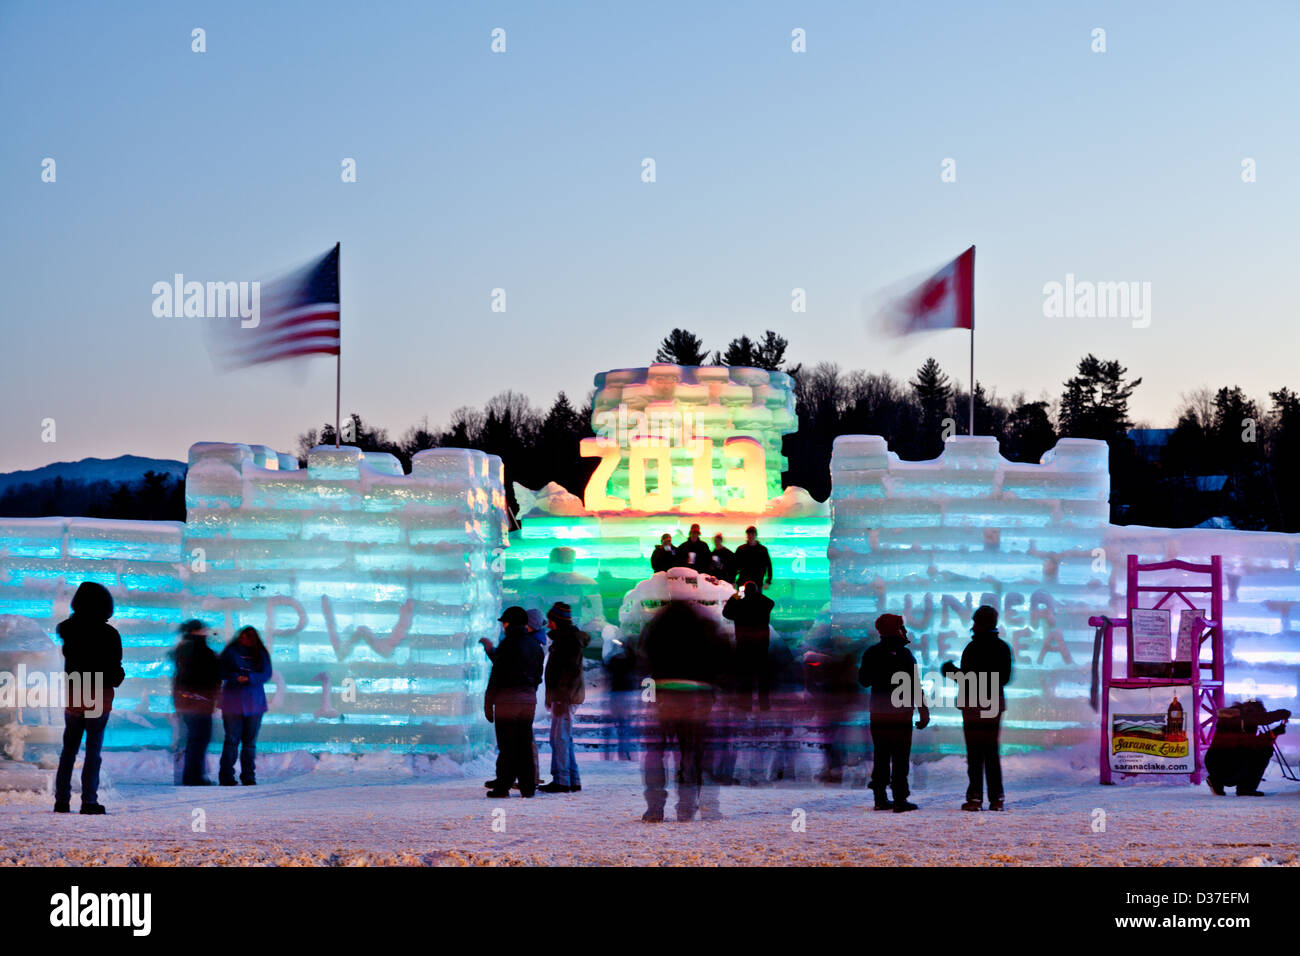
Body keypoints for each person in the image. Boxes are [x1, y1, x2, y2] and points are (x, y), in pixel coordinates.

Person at [639, 600, 728, 822]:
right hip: (696, 695)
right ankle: (686, 807)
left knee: (656, 753)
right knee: (690, 752)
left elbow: (642, 656)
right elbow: (723, 658)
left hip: (663, 692)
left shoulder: (657, 625)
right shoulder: (705, 626)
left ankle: (654, 808)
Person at [53, 581, 124, 815]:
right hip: (98, 694)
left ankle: (61, 801)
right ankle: (89, 801)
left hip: (75, 692)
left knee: (68, 749)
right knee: (93, 749)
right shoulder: (109, 634)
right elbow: (114, 672)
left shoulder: (68, 630)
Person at [941, 605, 1013, 811]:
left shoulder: (971, 648)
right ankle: (996, 798)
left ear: (978, 624)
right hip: (993, 703)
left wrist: (949, 671)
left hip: (972, 705)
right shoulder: (1002, 647)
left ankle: (974, 798)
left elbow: (966, 680)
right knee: (991, 751)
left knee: (974, 753)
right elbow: (1004, 678)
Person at [858, 613, 929, 812]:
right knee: (900, 757)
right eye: (902, 626)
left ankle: (879, 797)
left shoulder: (871, 653)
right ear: (897, 629)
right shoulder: (906, 655)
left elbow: (864, 681)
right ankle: (900, 798)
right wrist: (924, 712)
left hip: (879, 713)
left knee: (881, 755)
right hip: (901, 714)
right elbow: (915, 686)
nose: (905, 630)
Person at [484, 606, 544, 798]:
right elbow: (537, 676)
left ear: (508, 624)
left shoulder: (508, 644)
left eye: (504, 622)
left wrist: (489, 703)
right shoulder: (535, 645)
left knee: (508, 745)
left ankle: (503, 786)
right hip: (528, 701)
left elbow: (498, 674)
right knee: (524, 744)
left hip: (507, 702)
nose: (503, 625)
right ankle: (528, 787)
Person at [540, 602, 589, 793]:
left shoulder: (567, 641)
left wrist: (559, 698)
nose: (548, 624)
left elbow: (567, 672)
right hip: (565, 696)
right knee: (563, 738)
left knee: (559, 738)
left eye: (551, 620)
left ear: (557, 621)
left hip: (566, 698)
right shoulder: (565, 639)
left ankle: (562, 780)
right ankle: (571, 779)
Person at [218, 626, 273, 786]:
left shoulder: (261, 654)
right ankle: (226, 776)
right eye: (243, 636)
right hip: (232, 703)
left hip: (254, 704)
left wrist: (249, 678)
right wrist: (236, 677)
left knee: (249, 743)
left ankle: (248, 776)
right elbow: (220, 671)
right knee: (232, 741)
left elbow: (266, 674)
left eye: (248, 637)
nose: (245, 639)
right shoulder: (230, 652)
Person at [1205, 700, 1291, 796]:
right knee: (1265, 751)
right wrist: (1282, 716)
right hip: (1228, 766)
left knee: (1244, 753)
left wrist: (1273, 733)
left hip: (1214, 763)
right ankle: (1246, 788)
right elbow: (1254, 744)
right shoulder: (1244, 718)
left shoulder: (1232, 718)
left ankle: (1216, 781)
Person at [171, 619, 220, 786]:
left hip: (186, 701)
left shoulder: (183, 651)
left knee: (195, 739)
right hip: (200, 701)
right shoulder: (201, 651)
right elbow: (211, 675)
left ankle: (192, 775)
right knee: (200, 739)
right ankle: (194, 776)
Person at [723, 581, 775, 713]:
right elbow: (771, 602)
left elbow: (726, 613)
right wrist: (757, 594)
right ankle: (764, 705)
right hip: (761, 644)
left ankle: (746, 705)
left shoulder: (740, 604)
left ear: (744, 591)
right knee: (763, 677)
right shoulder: (764, 604)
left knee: (745, 676)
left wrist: (735, 595)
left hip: (744, 644)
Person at [733, 526, 773, 592]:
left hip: (756, 583)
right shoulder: (740, 549)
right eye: (749, 534)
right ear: (747, 535)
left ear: (756, 535)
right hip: (743, 582)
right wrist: (733, 581)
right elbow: (734, 566)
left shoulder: (763, 550)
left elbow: (769, 566)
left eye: (752, 534)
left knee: (741, 599)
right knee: (740, 599)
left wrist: (768, 581)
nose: (750, 536)